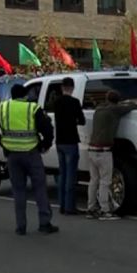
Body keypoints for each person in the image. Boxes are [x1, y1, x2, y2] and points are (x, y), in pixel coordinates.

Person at [0, 84, 58, 235]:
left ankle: (21, 226)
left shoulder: (2, 108)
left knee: (18, 191)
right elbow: (48, 129)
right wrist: (44, 144)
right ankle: (44, 223)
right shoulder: (32, 108)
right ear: (25, 95)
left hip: (12, 155)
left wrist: (1, 141)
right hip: (31, 153)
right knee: (40, 188)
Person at [86, 90, 137, 220]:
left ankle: (91, 208)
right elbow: (132, 106)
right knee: (105, 181)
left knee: (93, 181)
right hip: (104, 151)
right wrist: (130, 103)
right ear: (117, 101)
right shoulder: (115, 110)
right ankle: (105, 210)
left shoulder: (99, 109)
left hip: (92, 150)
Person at [53, 77, 85, 215]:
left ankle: (61, 205)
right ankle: (69, 207)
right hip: (71, 141)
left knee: (62, 174)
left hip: (60, 140)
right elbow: (82, 120)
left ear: (62, 87)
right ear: (72, 88)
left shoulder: (56, 102)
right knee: (71, 176)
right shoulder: (75, 102)